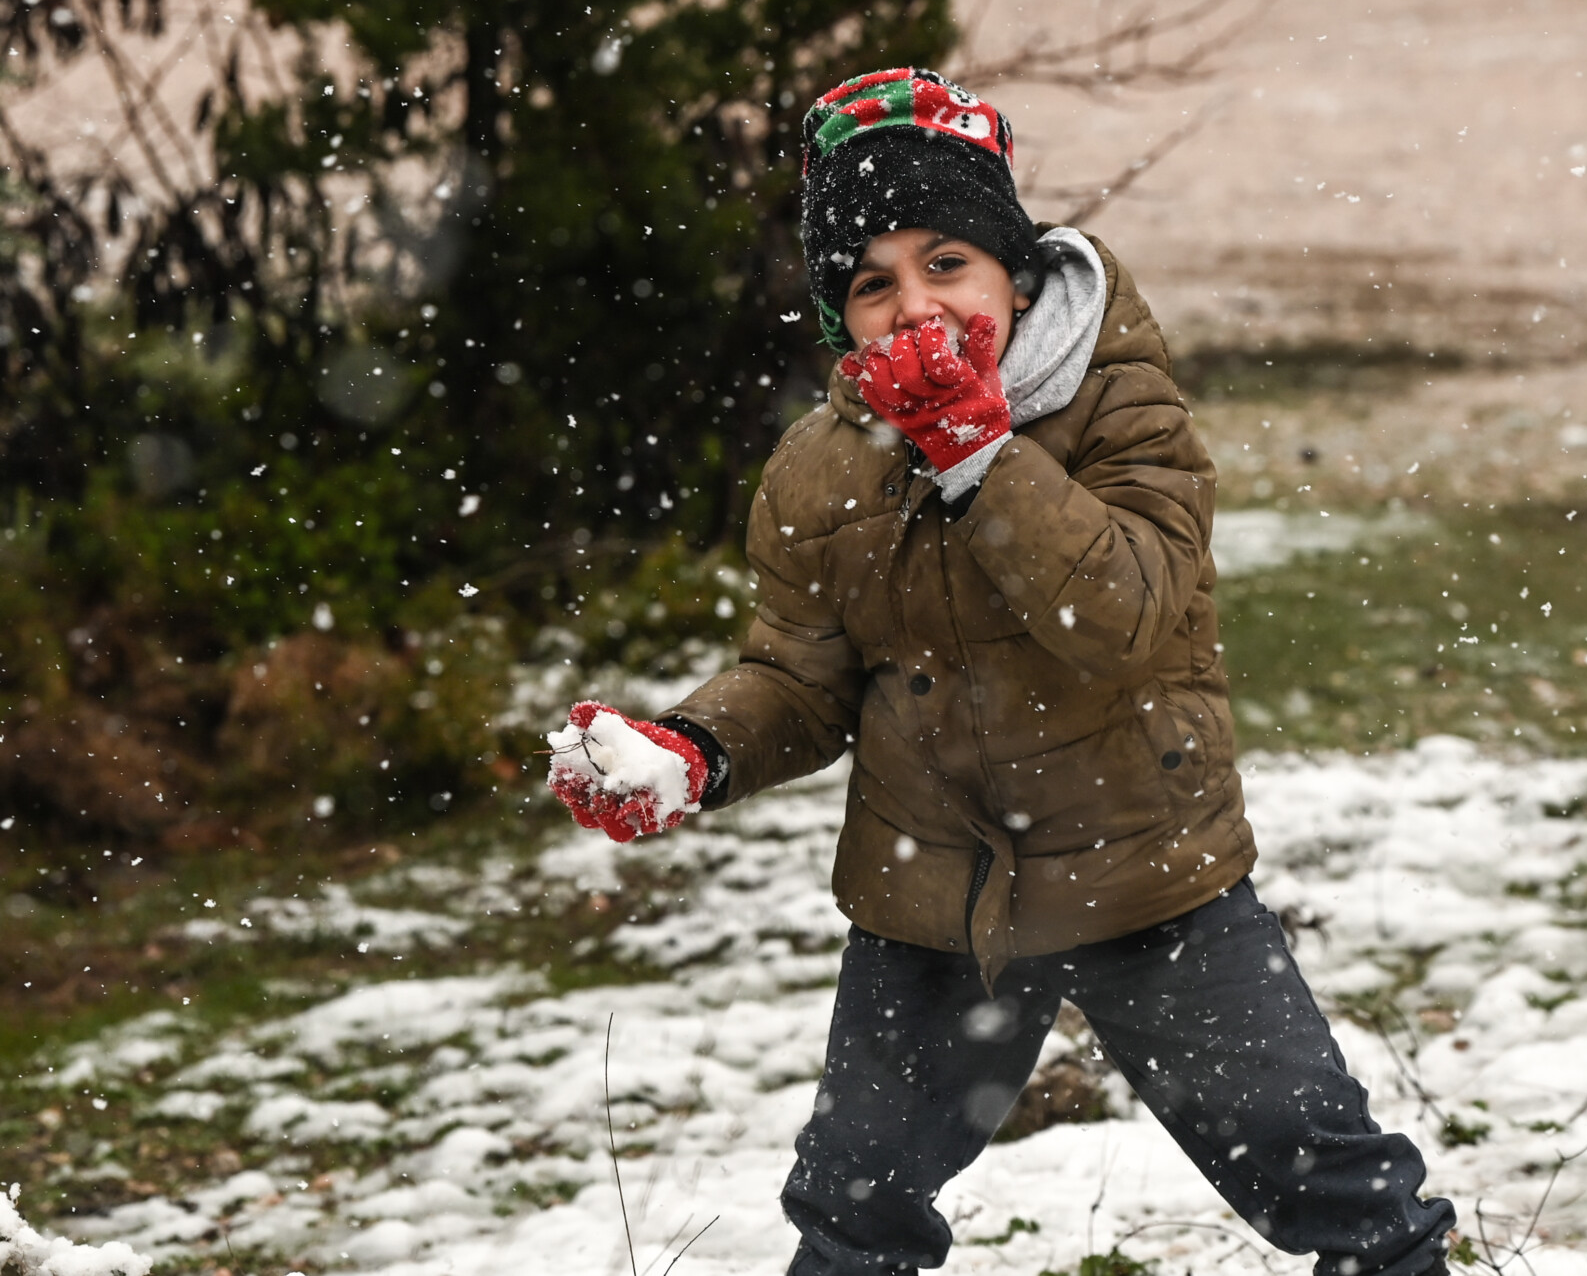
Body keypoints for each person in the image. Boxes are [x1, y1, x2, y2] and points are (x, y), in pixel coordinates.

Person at [546, 66, 1456, 1276]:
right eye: (871, 285)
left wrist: (976, 445)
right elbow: (801, 678)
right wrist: (691, 750)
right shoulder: (820, 474)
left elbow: (1126, 613)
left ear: (1014, 277)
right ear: (839, 320)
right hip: (932, 896)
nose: (913, 303)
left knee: (1321, 1168)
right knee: (854, 1199)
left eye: (946, 263)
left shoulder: (1119, 408)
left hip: (1147, 876)